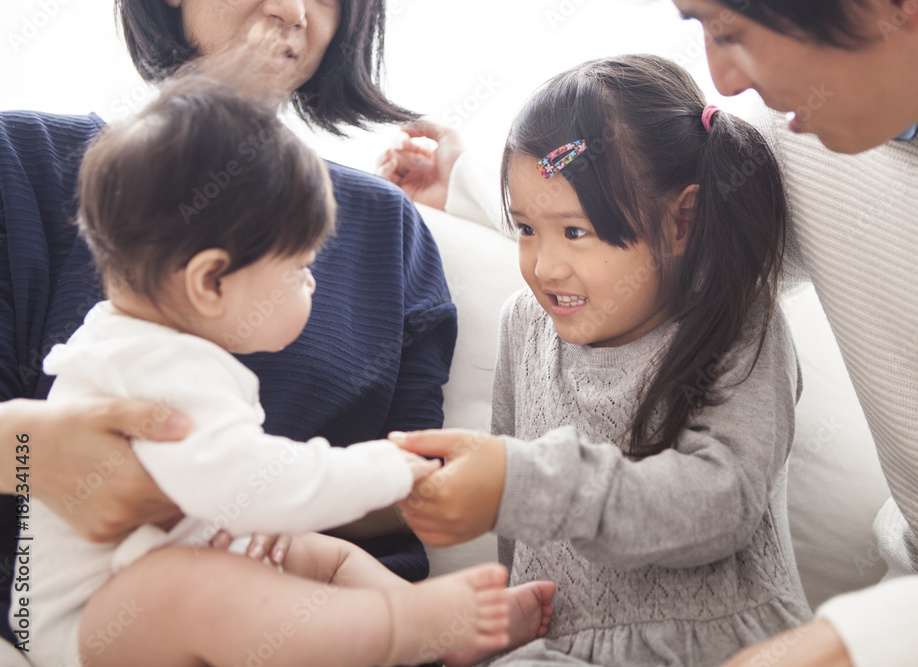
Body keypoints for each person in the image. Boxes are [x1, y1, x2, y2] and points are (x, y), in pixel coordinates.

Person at [380, 1, 918, 665]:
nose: (722, 81)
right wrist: (469, 181)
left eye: (731, 31)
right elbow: (639, 208)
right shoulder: (811, 130)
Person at [24, 72, 557, 667]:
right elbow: (250, 486)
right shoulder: (151, 364)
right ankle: (401, 625)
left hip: (163, 565)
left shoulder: (148, 343)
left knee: (314, 554)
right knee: (188, 586)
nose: (311, 282)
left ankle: (431, 629)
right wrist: (384, 467)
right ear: (210, 282)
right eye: (301, 267)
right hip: (84, 629)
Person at [0, 0, 458, 642]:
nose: (292, 10)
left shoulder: (391, 228)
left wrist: (254, 501)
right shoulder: (19, 160)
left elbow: (421, 480)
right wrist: (21, 447)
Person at [388, 54, 812, 666]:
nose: (544, 265)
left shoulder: (735, 320)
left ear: (681, 222)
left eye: (576, 232)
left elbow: (723, 502)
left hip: (720, 645)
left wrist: (526, 481)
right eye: (527, 229)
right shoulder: (525, 326)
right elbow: (518, 523)